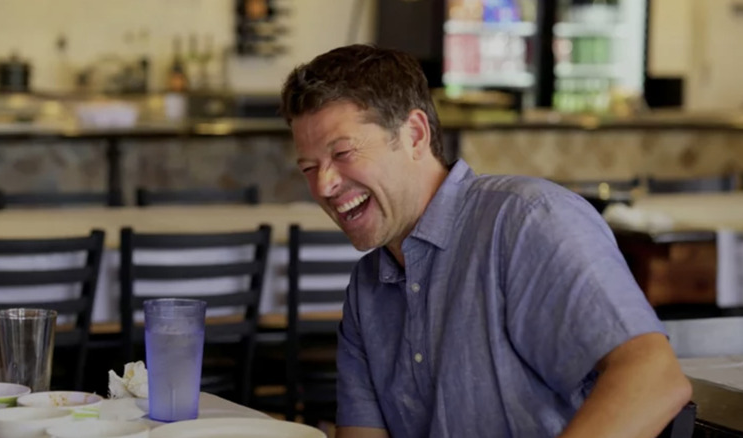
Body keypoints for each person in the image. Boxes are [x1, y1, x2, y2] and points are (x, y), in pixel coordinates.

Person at [279, 44, 692, 438]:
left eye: (344, 153)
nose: (325, 185)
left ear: (415, 135)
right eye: (309, 168)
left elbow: (654, 378)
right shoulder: (367, 290)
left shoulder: (526, 221)